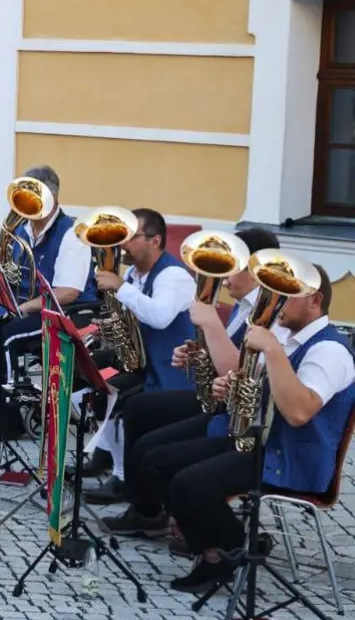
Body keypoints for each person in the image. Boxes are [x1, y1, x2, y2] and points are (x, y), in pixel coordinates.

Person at [105, 266, 353, 593]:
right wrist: (231, 387)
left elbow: (298, 412)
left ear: (315, 301)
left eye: (286, 296)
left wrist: (273, 351)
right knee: (164, 460)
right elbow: (265, 388)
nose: (276, 302)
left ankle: (227, 552)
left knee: (189, 483)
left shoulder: (329, 351)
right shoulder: (293, 339)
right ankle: (224, 549)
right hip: (261, 441)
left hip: (291, 458)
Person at [83, 226, 280, 507]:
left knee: (146, 431)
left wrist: (211, 324)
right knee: (137, 409)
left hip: (234, 415)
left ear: (254, 269)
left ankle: (147, 504)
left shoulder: (262, 311)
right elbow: (228, 357)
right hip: (217, 399)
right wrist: (195, 354)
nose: (224, 278)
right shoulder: (242, 306)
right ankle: (135, 495)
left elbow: (240, 372)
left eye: (232, 267)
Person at [0, 165, 95, 443]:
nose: (28, 205)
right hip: (20, 305)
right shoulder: (21, 229)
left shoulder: (72, 234)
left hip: (57, 312)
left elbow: (67, 292)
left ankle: (8, 422)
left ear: (53, 197)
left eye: (35, 197)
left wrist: (26, 307)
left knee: (1, 337)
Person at [75, 208, 196, 502]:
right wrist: (108, 326)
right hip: (143, 361)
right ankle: (105, 452)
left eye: (131, 236)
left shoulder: (174, 276)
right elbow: (132, 315)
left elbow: (160, 317)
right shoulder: (133, 273)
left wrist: (121, 288)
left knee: (115, 398)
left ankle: (122, 477)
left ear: (155, 241)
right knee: (81, 376)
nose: (123, 242)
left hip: (172, 371)